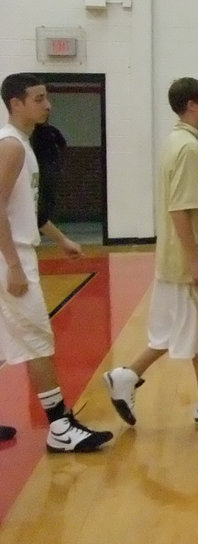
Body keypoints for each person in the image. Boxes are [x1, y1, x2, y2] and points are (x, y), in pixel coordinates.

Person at [0, 74, 112, 451]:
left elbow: (23, 208)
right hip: (10, 257)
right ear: (16, 103)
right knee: (37, 339)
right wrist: (14, 265)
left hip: (14, 251)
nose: (47, 105)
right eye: (39, 98)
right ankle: (60, 426)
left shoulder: (22, 145)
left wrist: (61, 238)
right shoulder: (11, 146)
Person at [104, 78, 198, 427]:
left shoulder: (177, 141)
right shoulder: (187, 148)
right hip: (187, 259)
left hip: (179, 258)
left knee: (194, 332)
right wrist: (195, 259)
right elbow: (180, 209)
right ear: (191, 105)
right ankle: (128, 375)